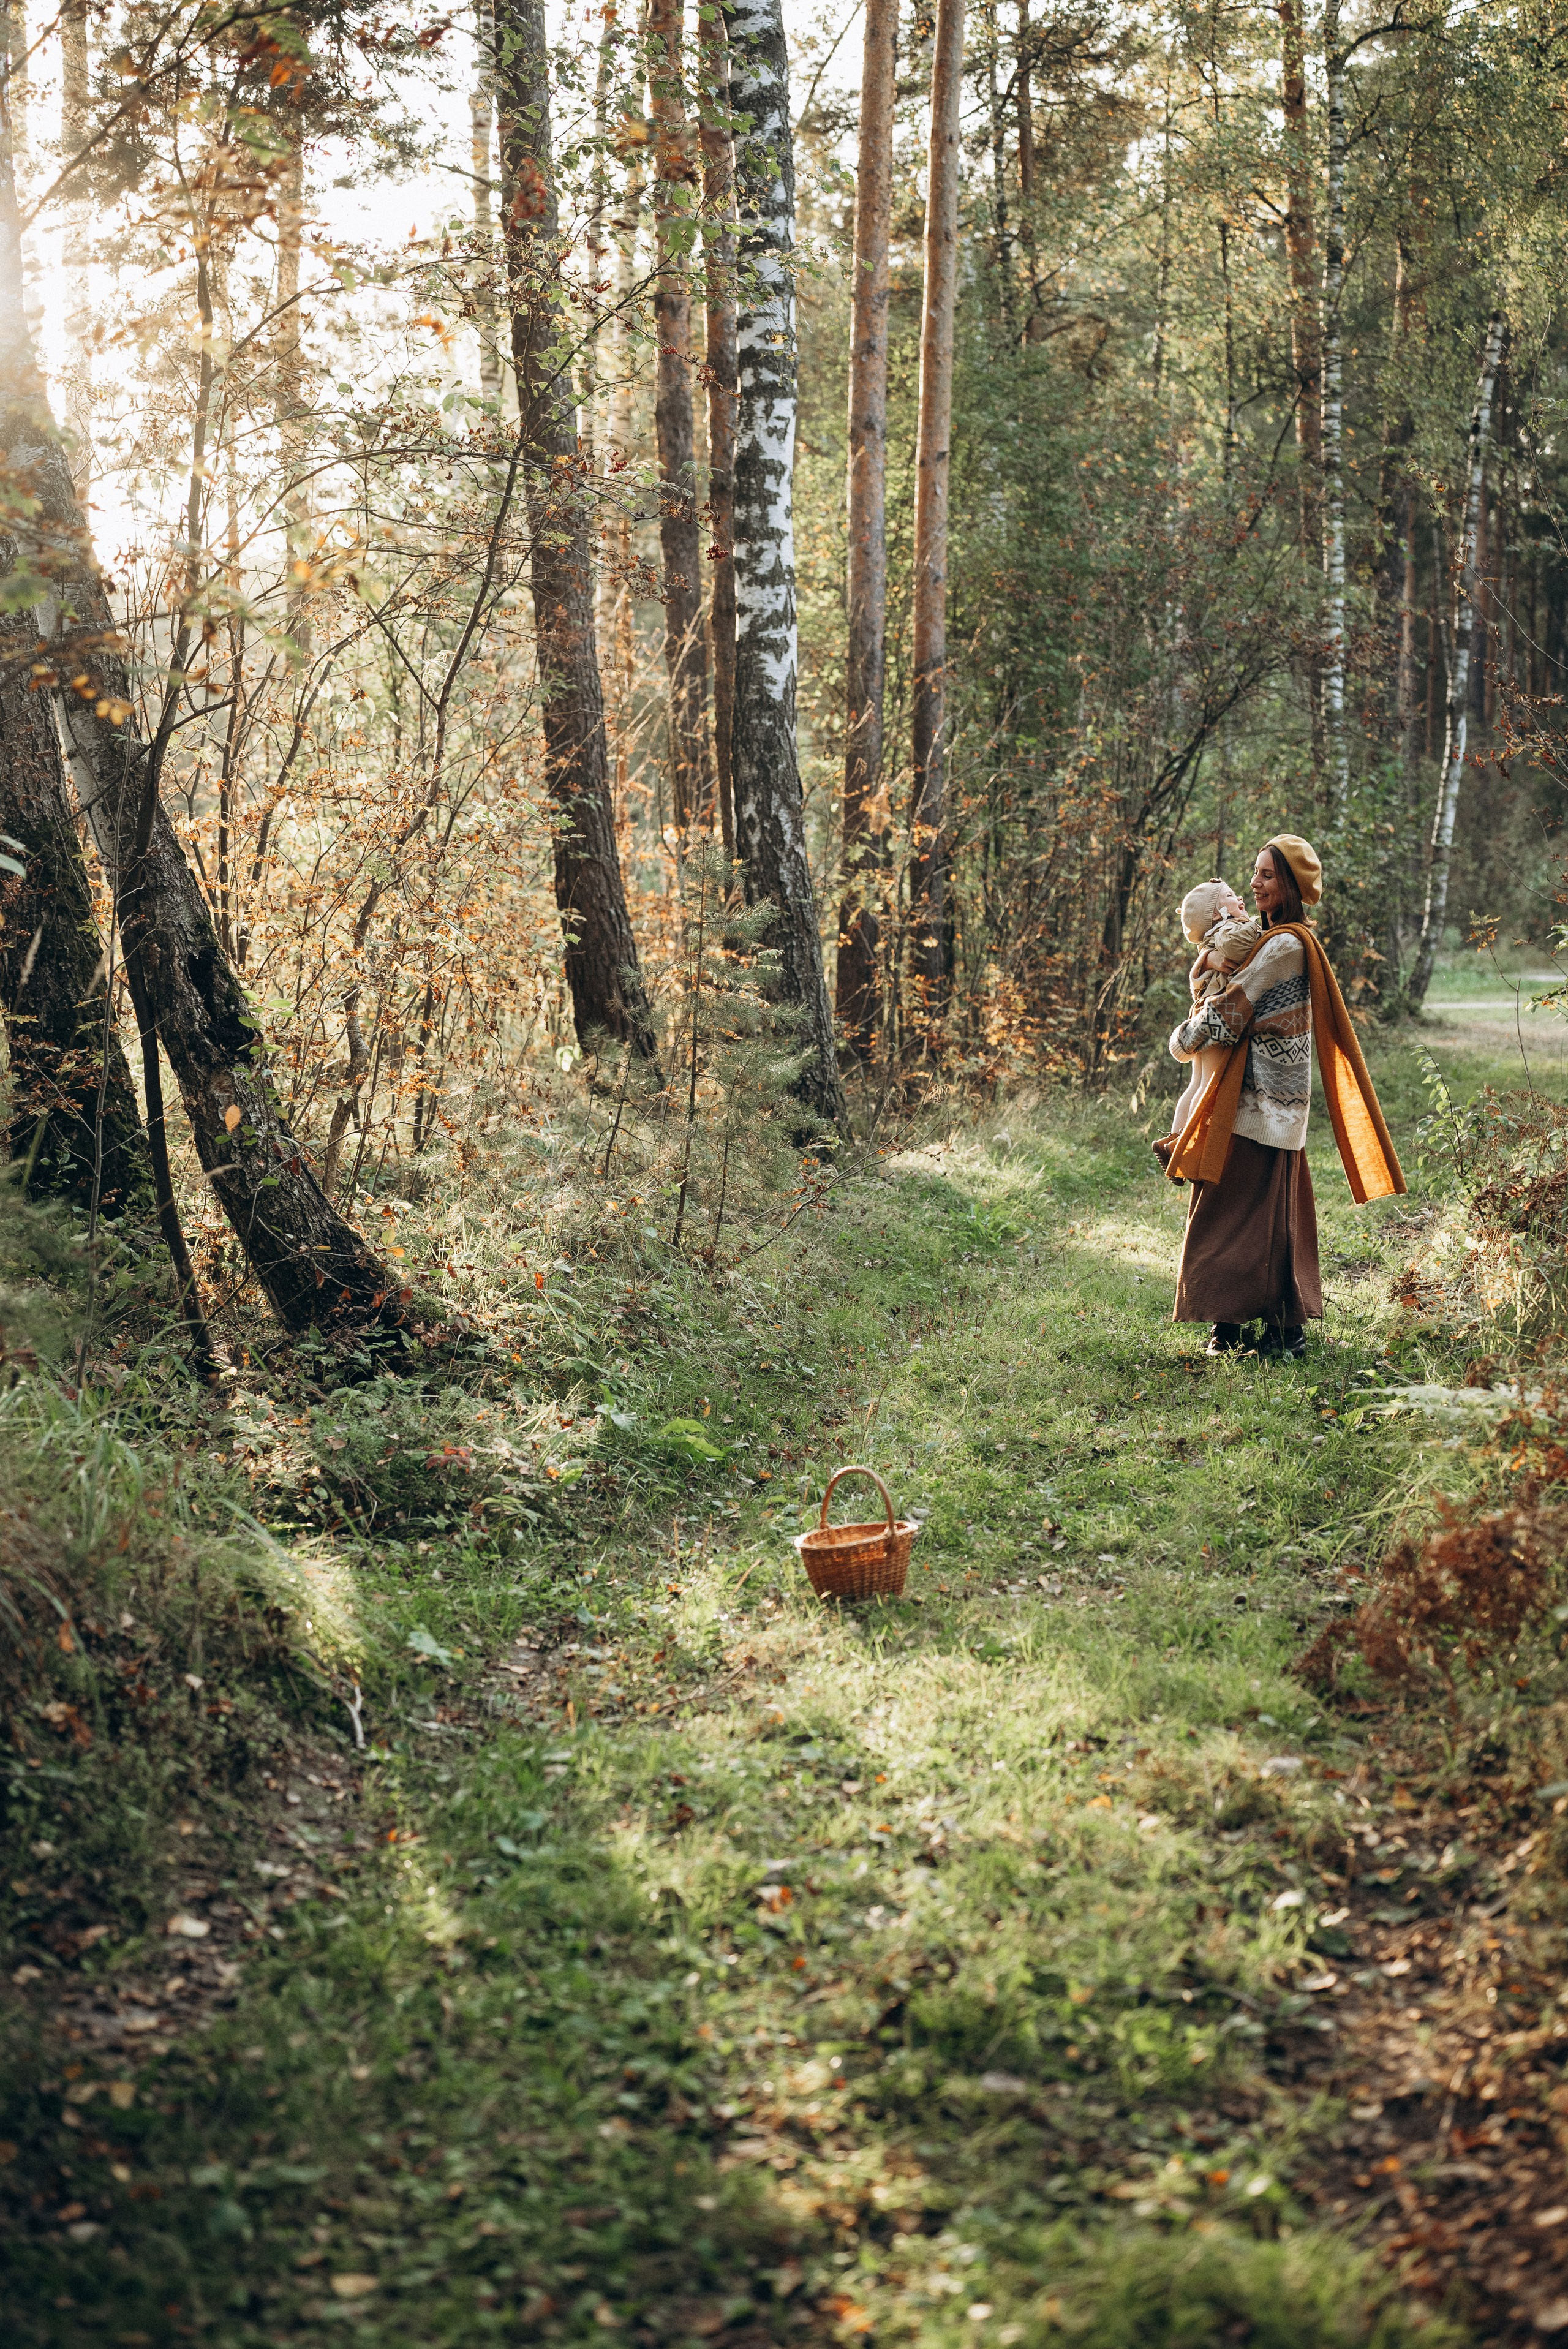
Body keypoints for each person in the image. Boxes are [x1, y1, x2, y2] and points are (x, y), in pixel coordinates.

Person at [1164, 834, 1405, 1359]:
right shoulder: (1272, 939)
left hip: (1264, 1107)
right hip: (1254, 1105)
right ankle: (1231, 1329)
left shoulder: (1284, 946)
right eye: (1254, 873)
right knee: (1236, 1218)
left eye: (1267, 875)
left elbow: (1229, 1015)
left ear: (1290, 885)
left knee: (1248, 1224)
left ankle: (1282, 1334)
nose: (1254, 883)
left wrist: (1180, 1040)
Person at [1164, 880, 1262, 1146]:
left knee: (1197, 1082)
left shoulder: (1213, 938)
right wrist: (1256, 923)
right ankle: (1186, 1148)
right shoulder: (1229, 930)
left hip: (1205, 1011)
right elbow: (1238, 948)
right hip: (1215, 1015)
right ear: (1218, 915)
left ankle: (1173, 1141)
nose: (1240, 897)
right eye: (1230, 895)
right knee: (1208, 1084)